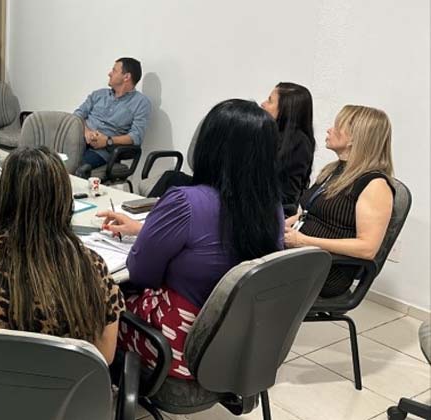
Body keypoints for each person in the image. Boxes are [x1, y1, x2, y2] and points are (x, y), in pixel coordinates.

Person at [98, 99, 283, 378]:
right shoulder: (272, 208)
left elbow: (141, 273)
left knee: (94, 302)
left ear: (210, 146)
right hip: (236, 346)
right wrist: (143, 229)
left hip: (177, 347)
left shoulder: (185, 202)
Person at [0, 146, 124, 363]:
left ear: (4, 197)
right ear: (65, 201)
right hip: (62, 396)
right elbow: (104, 356)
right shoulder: (89, 268)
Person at [284, 105, 395, 298]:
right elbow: (310, 211)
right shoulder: (333, 170)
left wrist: (303, 240)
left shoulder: (375, 185)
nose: (329, 130)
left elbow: (367, 248)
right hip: (302, 257)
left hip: (328, 271)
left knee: (244, 274)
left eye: (336, 126)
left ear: (354, 138)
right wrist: (284, 225)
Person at [73, 58, 151, 178]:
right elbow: (78, 115)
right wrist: (87, 132)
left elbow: (136, 136)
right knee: (50, 161)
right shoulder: (98, 94)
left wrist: (107, 141)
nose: (109, 73)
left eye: (114, 71)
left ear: (126, 77)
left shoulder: (141, 103)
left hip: (102, 151)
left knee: (72, 168)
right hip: (78, 140)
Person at [261, 82, 316, 216]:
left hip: (274, 215)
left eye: (270, 101)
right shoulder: (272, 134)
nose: (263, 104)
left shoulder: (298, 142)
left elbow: (285, 190)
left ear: (286, 109)